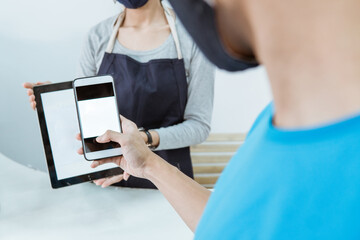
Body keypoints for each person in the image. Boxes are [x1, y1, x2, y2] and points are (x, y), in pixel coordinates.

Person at [81, 0, 360, 238]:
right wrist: (149, 163)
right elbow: (227, 223)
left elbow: (198, 125)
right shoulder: (270, 126)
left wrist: (147, 139)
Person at [23, 0, 214, 188]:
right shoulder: (97, 37)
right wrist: (59, 103)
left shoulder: (192, 38)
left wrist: (143, 139)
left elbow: (199, 126)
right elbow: (85, 120)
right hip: (107, 179)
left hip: (169, 183)